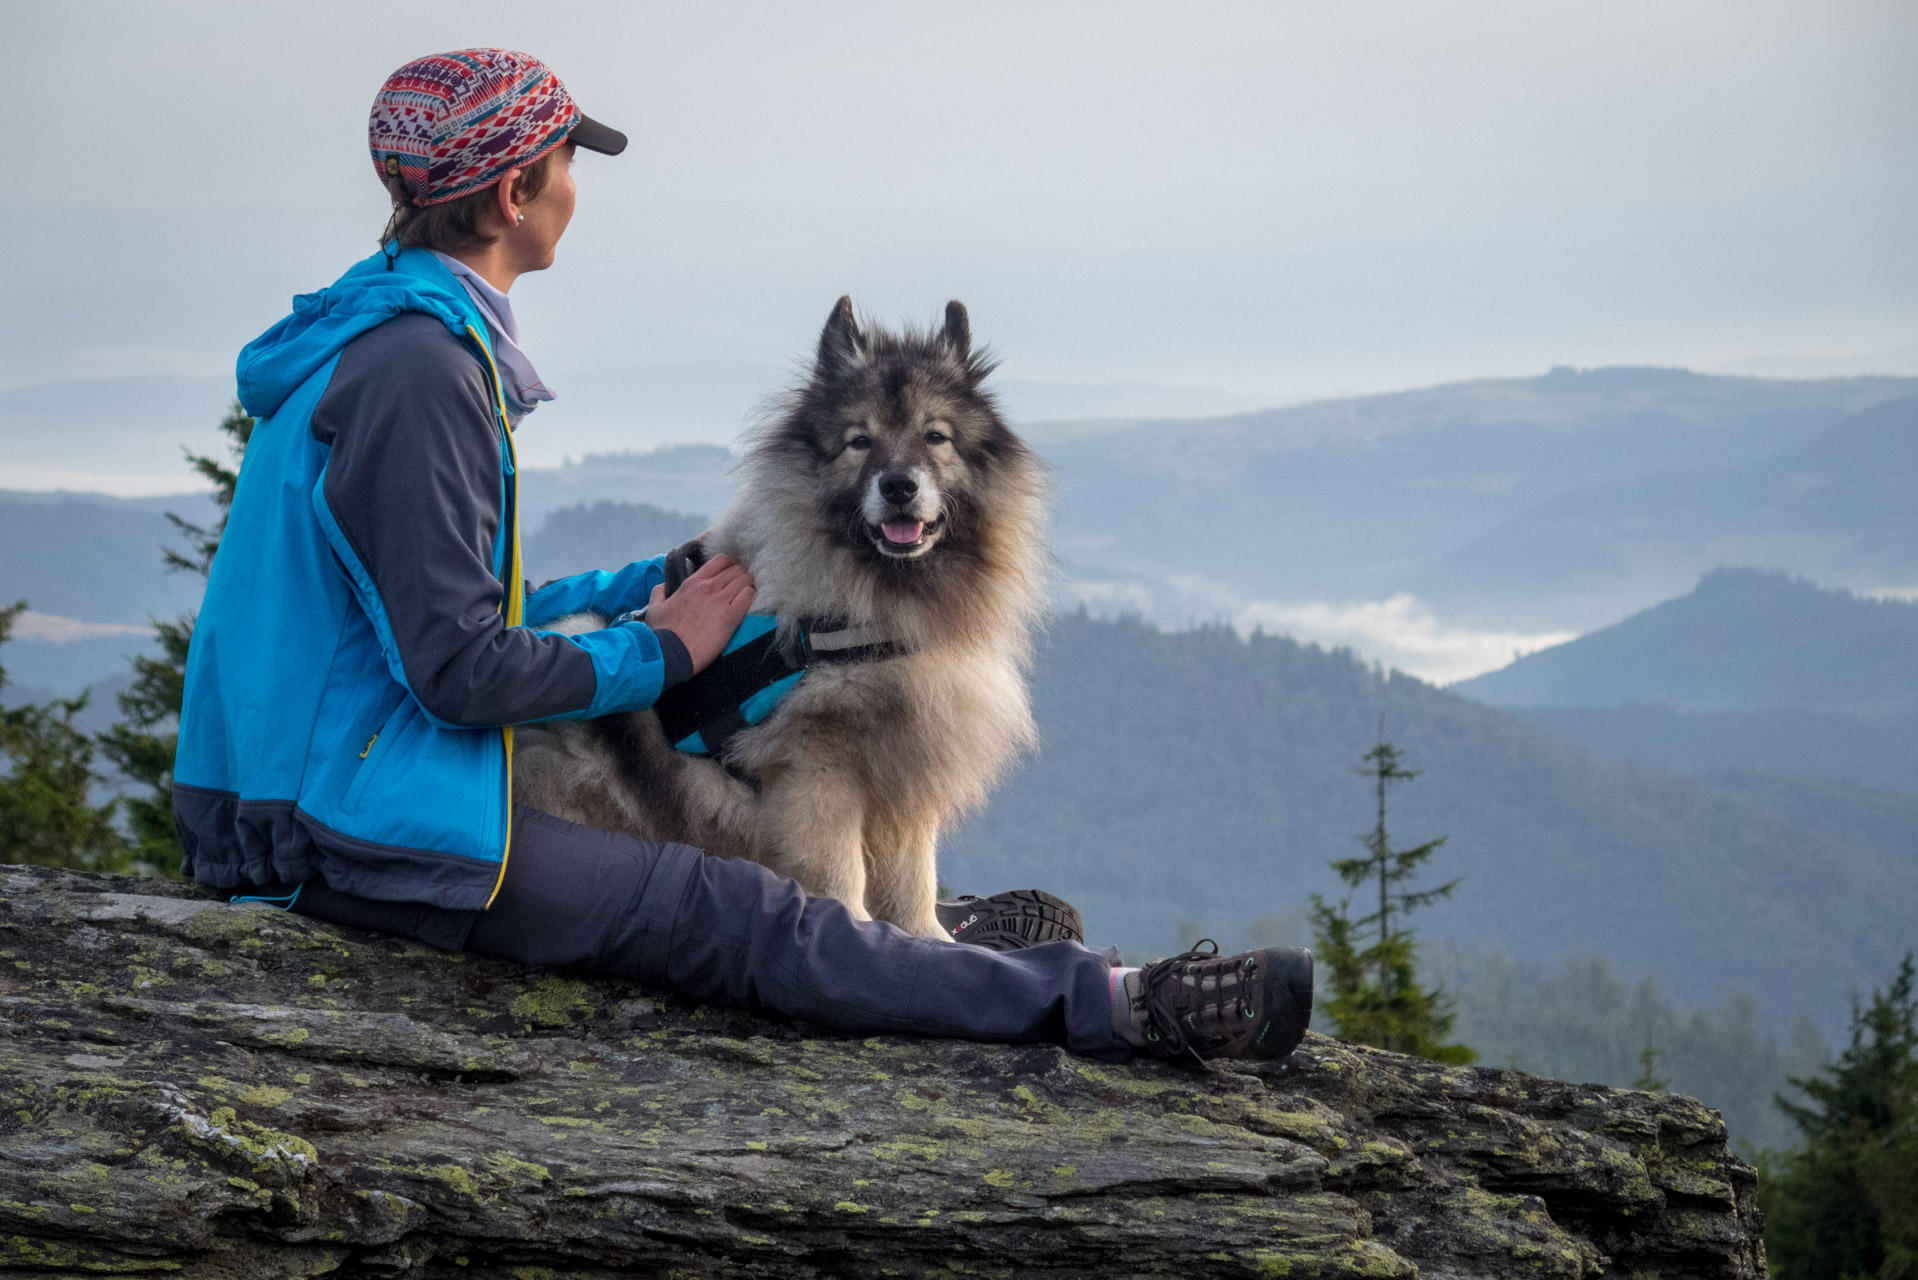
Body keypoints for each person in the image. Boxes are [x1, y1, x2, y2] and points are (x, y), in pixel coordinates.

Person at [170, 48, 1312, 1064]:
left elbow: (430, 604)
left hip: (315, 792)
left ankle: (932, 940)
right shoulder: (422, 377)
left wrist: (639, 587)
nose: (578, 187)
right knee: (758, 915)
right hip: (361, 827)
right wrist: (659, 648)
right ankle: (1118, 1000)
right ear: (516, 193)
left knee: (793, 893)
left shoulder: (379, 339)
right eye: (569, 163)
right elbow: (456, 670)